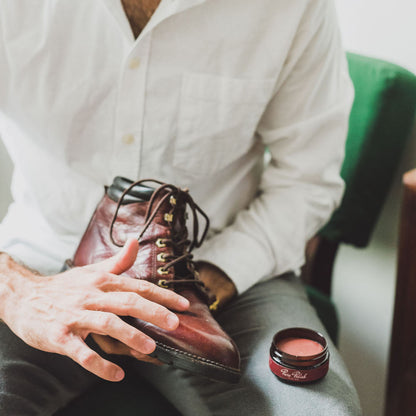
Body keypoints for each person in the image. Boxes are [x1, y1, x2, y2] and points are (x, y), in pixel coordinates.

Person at [0, 0, 362, 414]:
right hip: (40, 268)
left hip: (223, 272)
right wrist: (15, 288)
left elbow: (306, 181)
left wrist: (203, 287)